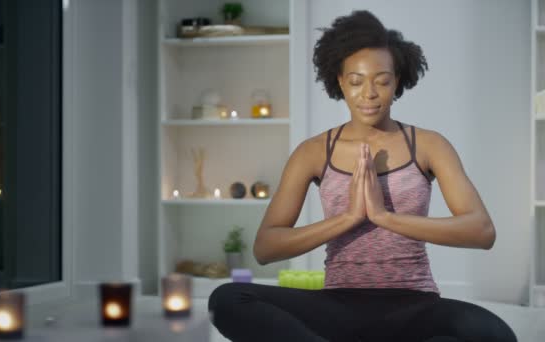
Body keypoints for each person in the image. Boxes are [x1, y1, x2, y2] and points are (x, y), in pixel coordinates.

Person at [208, 10, 518, 342]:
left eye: (382, 80)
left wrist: (384, 216)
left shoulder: (428, 145)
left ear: (397, 79)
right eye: (356, 81)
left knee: (493, 335)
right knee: (227, 299)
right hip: (337, 307)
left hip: (415, 306)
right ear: (339, 81)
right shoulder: (313, 152)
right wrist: (350, 217)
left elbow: (482, 232)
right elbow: (266, 247)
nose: (369, 93)